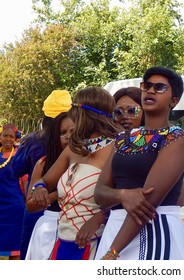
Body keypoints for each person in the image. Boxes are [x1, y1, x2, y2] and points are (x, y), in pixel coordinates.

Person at [94, 66, 184, 260]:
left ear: (174, 101)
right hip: (116, 228)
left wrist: (112, 252)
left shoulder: (176, 138)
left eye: (159, 87)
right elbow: (99, 193)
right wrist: (123, 194)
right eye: (147, 86)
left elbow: (147, 203)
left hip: (155, 231)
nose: (150, 91)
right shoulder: (123, 138)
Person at [31, 86, 122, 260]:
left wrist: (100, 217)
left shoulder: (117, 148)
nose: (72, 115)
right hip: (63, 243)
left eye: (74, 109)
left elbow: (125, 199)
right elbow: (42, 182)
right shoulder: (72, 150)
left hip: (97, 243)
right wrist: (40, 189)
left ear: (87, 114)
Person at [12, 89, 72, 259]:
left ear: (45, 115)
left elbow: (16, 169)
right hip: (66, 211)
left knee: (30, 256)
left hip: (37, 210)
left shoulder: (32, 140)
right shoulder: (78, 144)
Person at [25, 111, 74, 259]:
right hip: (48, 231)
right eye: (62, 132)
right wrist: (50, 194)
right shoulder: (43, 164)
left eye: (73, 131)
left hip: (80, 229)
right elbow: (30, 206)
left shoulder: (91, 162)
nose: (68, 137)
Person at [0, 124, 24, 260]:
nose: (8, 139)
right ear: (0, 137)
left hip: (14, 208)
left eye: (11, 136)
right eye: (5, 135)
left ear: (15, 138)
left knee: (15, 248)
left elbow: (25, 181)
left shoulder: (19, 155)